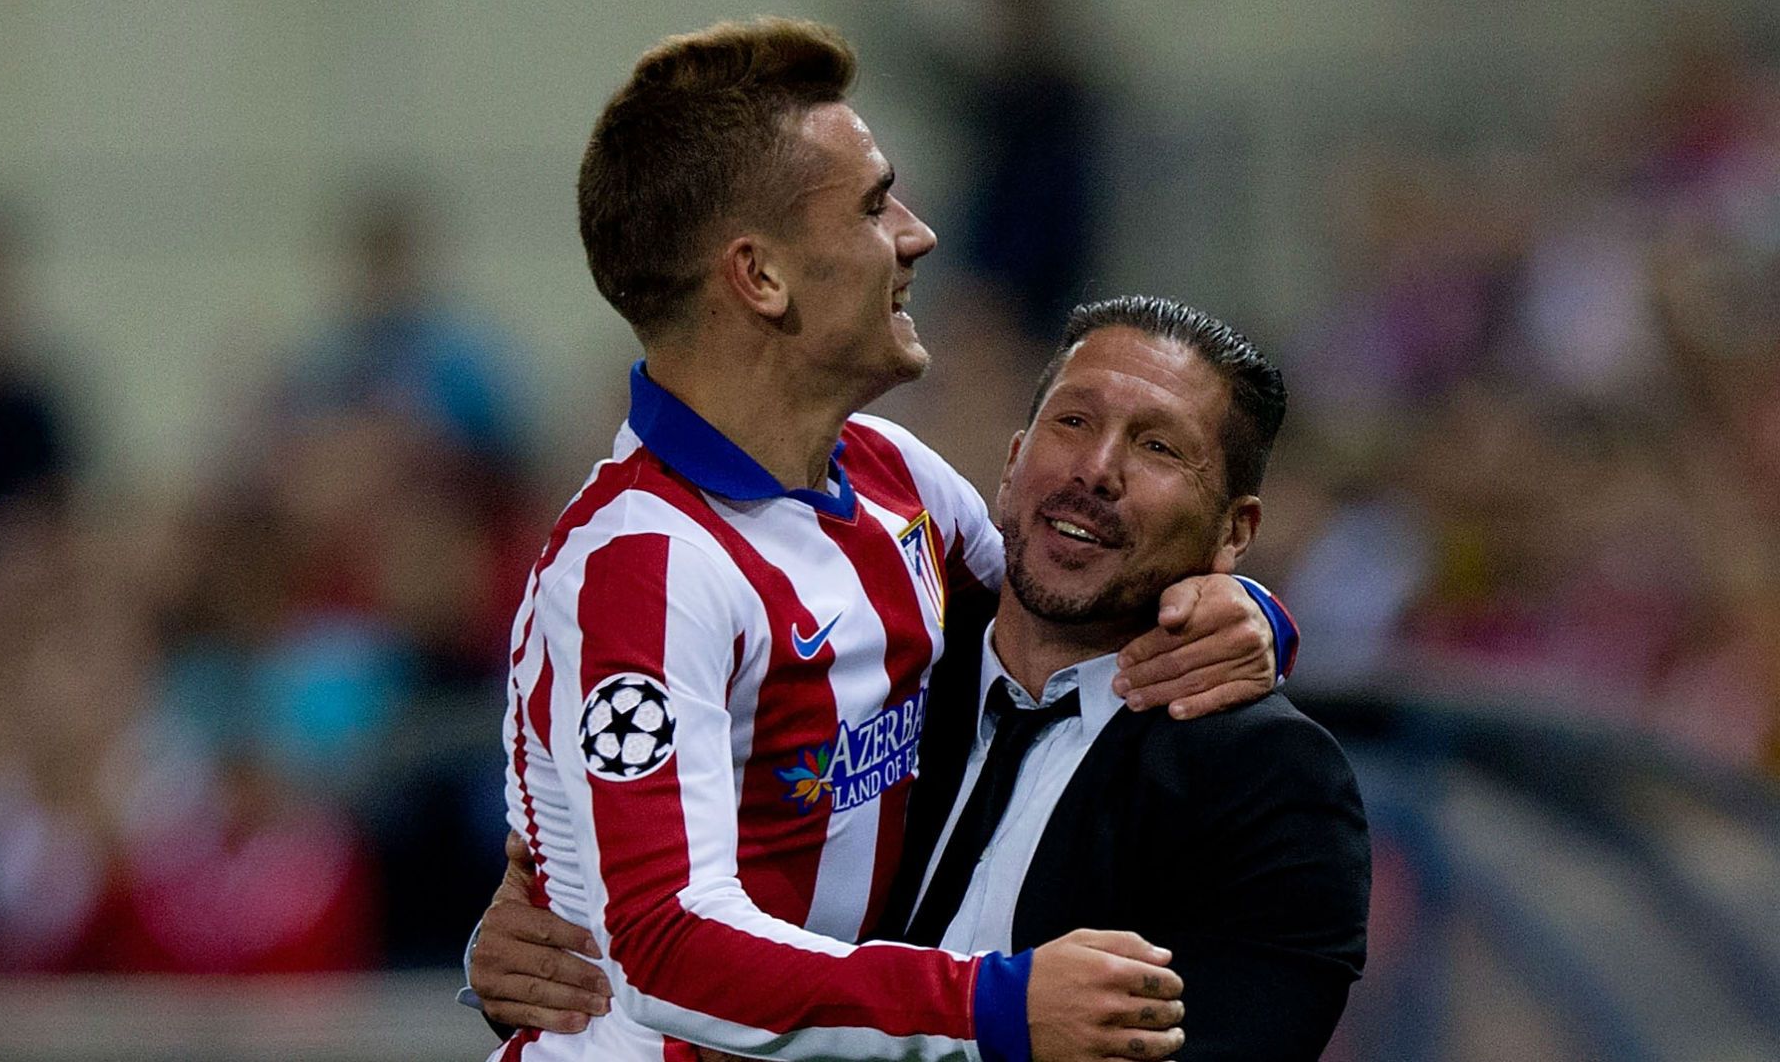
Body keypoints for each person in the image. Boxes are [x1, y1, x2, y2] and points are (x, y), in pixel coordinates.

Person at [478, 19, 1297, 1062]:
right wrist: (993, 1005)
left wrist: (1240, 607)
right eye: (873, 206)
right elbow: (666, 946)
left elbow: (1071, 608)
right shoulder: (643, 568)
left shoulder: (890, 476)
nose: (917, 234)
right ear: (761, 278)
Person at [471, 297, 1367, 1062]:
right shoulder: (887, 663)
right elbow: (677, 905)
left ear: (1235, 529)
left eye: (1160, 447)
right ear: (1013, 460)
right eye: (1074, 422)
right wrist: (551, 923)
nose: (1097, 469)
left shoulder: (1273, 783)